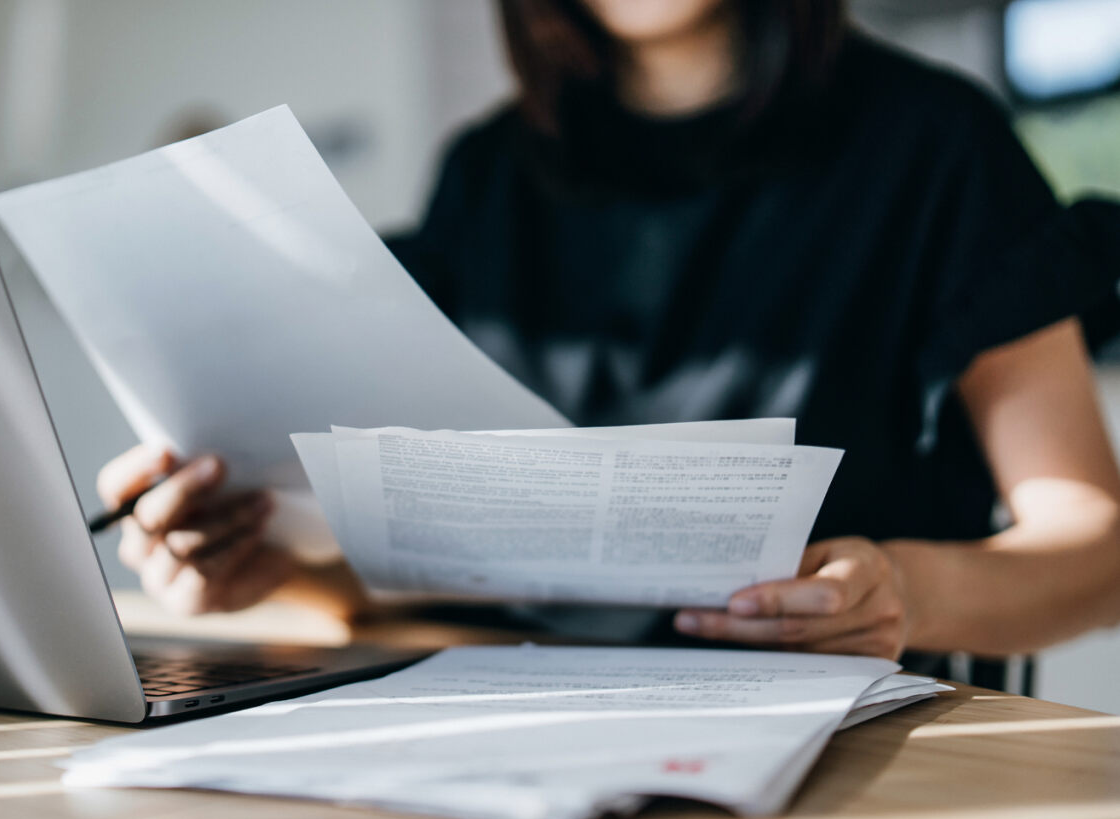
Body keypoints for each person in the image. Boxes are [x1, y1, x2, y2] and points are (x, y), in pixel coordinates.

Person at [97, 0, 1120, 668]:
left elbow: (1094, 550)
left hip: (845, 745)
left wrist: (909, 590)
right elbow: (450, 563)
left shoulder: (938, 147)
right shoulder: (486, 175)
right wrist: (270, 564)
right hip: (512, 726)